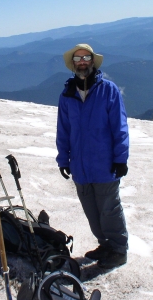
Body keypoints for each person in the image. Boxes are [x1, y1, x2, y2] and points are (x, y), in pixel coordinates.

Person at [55, 43, 130, 269]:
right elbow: (63, 130)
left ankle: (118, 250)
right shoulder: (67, 95)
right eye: (78, 59)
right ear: (73, 64)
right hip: (80, 167)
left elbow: (120, 126)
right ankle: (105, 245)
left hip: (104, 164)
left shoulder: (108, 90)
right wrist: (63, 159)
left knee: (110, 210)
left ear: (92, 61)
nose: (82, 62)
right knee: (92, 212)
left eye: (86, 57)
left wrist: (120, 158)